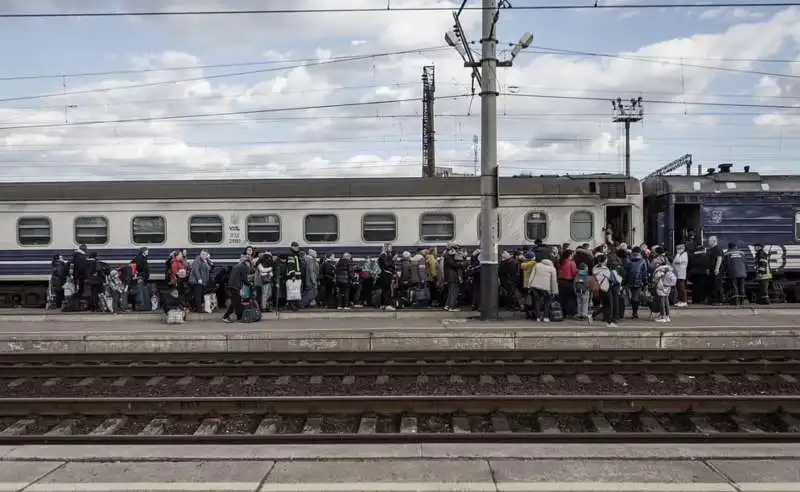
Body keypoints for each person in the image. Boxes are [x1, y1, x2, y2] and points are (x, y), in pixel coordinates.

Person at [526, 257, 558, 322]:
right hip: (545, 288)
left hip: (535, 286)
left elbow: (532, 276)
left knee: (537, 302)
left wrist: (529, 286)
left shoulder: (537, 265)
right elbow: (553, 281)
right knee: (547, 302)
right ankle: (545, 317)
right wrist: (554, 291)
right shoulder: (552, 269)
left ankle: (538, 317)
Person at [222, 255, 252, 323]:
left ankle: (239, 317)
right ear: (247, 262)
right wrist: (250, 284)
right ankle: (225, 316)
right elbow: (244, 279)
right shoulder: (244, 267)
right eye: (250, 264)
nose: (250, 266)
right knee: (234, 303)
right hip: (235, 286)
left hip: (232, 285)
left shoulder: (237, 266)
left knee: (237, 302)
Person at [625, 246, 649, 319]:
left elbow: (626, 271)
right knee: (636, 296)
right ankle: (635, 312)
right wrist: (646, 282)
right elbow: (644, 273)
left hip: (630, 280)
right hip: (639, 281)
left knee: (632, 296)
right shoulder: (642, 260)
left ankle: (634, 311)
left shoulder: (628, 260)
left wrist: (625, 281)